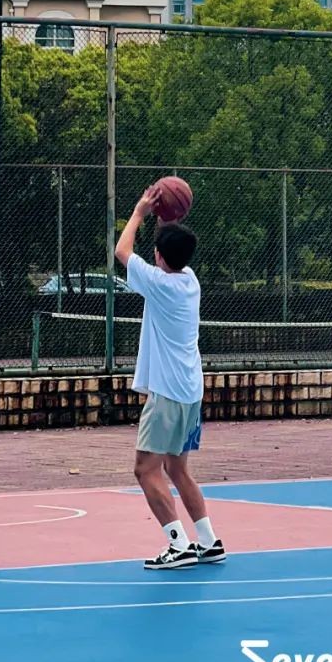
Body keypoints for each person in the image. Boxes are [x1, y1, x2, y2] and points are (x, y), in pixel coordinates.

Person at [115, 190, 226, 571]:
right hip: (190, 391)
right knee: (177, 469)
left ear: (159, 257)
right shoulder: (189, 280)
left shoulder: (159, 285)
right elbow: (166, 252)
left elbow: (122, 251)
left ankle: (178, 545)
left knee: (145, 469)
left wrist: (139, 211)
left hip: (167, 394)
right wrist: (165, 219)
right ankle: (208, 541)